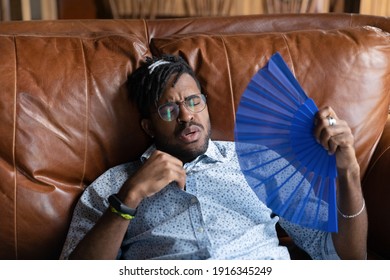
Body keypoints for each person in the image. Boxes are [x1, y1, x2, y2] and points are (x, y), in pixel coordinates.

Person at [60, 54, 367, 260]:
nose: (186, 115)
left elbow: (344, 257)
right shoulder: (113, 186)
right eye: (168, 109)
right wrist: (127, 200)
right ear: (148, 126)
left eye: (193, 101)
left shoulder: (259, 162)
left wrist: (348, 173)